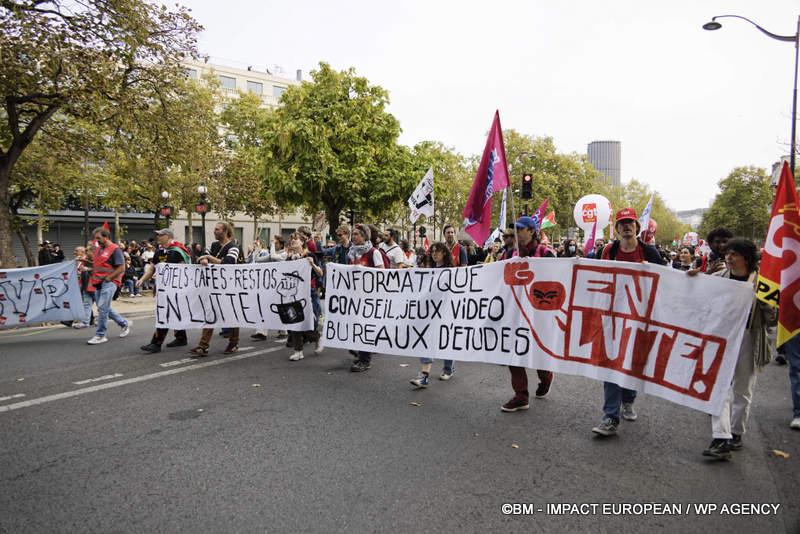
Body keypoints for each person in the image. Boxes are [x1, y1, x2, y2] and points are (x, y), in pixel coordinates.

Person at [690, 238, 777, 459]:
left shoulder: (762, 283)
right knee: (719, 386)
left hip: (749, 338)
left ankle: (736, 433)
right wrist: (693, 278)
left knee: (743, 390)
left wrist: (764, 301)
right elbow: (701, 294)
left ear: (746, 258)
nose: (728, 258)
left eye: (734, 254)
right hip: (723, 338)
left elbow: (773, 320)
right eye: (727, 253)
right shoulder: (719, 278)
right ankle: (721, 436)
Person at [592, 208, 666, 435]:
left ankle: (629, 400)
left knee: (632, 363)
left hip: (640, 318)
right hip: (611, 317)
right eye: (621, 223)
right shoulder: (607, 251)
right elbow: (591, 274)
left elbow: (666, 281)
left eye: (630, 223)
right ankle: (610, 417)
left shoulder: (650, 252)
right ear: (616, 229)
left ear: (637, 227)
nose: (626, 227)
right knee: (610, 365)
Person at [502, 216, 556, 413]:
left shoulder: (546, 253)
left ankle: (546, 376)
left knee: (538, 352)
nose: (516, 231)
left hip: (539, 312)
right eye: (515, 228)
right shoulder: (509, 253)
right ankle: (521, 396)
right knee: (513, 354)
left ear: (532, 231)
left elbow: (557, 280)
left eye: (520, 228)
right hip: (514, 311)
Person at [188, 222, 240, 357]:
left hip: (229, 287)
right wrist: (203, 260)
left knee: (231, 315)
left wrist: (209, 258)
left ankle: (233, 343)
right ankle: (203, 346)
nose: (214, 231)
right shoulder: (213, 245)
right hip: (212, 286)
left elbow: (228, 262)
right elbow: (202, 256)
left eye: (217, 229)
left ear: (225, 231)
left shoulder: (233, 247)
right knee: (209, 313)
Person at [137, 229, 191, 353]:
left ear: (168, 237)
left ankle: (156, 343)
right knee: (173, 312)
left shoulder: (178, 251)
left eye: (161, 235)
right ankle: (181, 338)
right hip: (163, 288)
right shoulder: (159, 251)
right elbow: (152, 268)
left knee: (165, 313)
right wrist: (142, 279)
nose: (158, 237)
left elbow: (184, 269)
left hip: (176, 289)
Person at [410, 241, 455, 387]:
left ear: (445, 253)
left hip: (446, 311)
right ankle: (424, 375)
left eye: (438, 251)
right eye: (433, 251)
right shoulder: (428, 270)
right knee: (426, 339)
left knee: (445, 339)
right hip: (430, 311)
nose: (434, 254)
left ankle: (448, 368)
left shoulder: (451, 271)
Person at [347, 223, 385, 372]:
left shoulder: (373, 253)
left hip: (369, 297)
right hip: (355, 296)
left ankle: (365, 360)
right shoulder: (352, 253)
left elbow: (382, 274)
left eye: (356, 234)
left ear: (364, 236)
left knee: (365, 328)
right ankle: (360, 353)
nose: (353, 237)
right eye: (353, 234)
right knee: (354, 326)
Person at [87, 227, 131, 345]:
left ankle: (100, 335)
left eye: (98, 238)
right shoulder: (98, 249)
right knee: (104, 307)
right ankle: (124, 324)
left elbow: (121, 267)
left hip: (109, 282)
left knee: (102, 307)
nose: (96, 241)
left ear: (106, 237)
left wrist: (109, 278)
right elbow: (99, 265)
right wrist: (87, 265)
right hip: (98, 283)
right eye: (95, 238)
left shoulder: (115, 249)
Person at [285, 233, 324, 361]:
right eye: (291, 239)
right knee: (295, 321)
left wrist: (312, 264)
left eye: (295, 239)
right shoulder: (290, 259)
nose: (292, 241)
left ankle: (316, 337)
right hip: (294, 293)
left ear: (302, 242)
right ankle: (298, 350)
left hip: (309, 292)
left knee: (307, 320)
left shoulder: (309, 255)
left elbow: (320, 273)